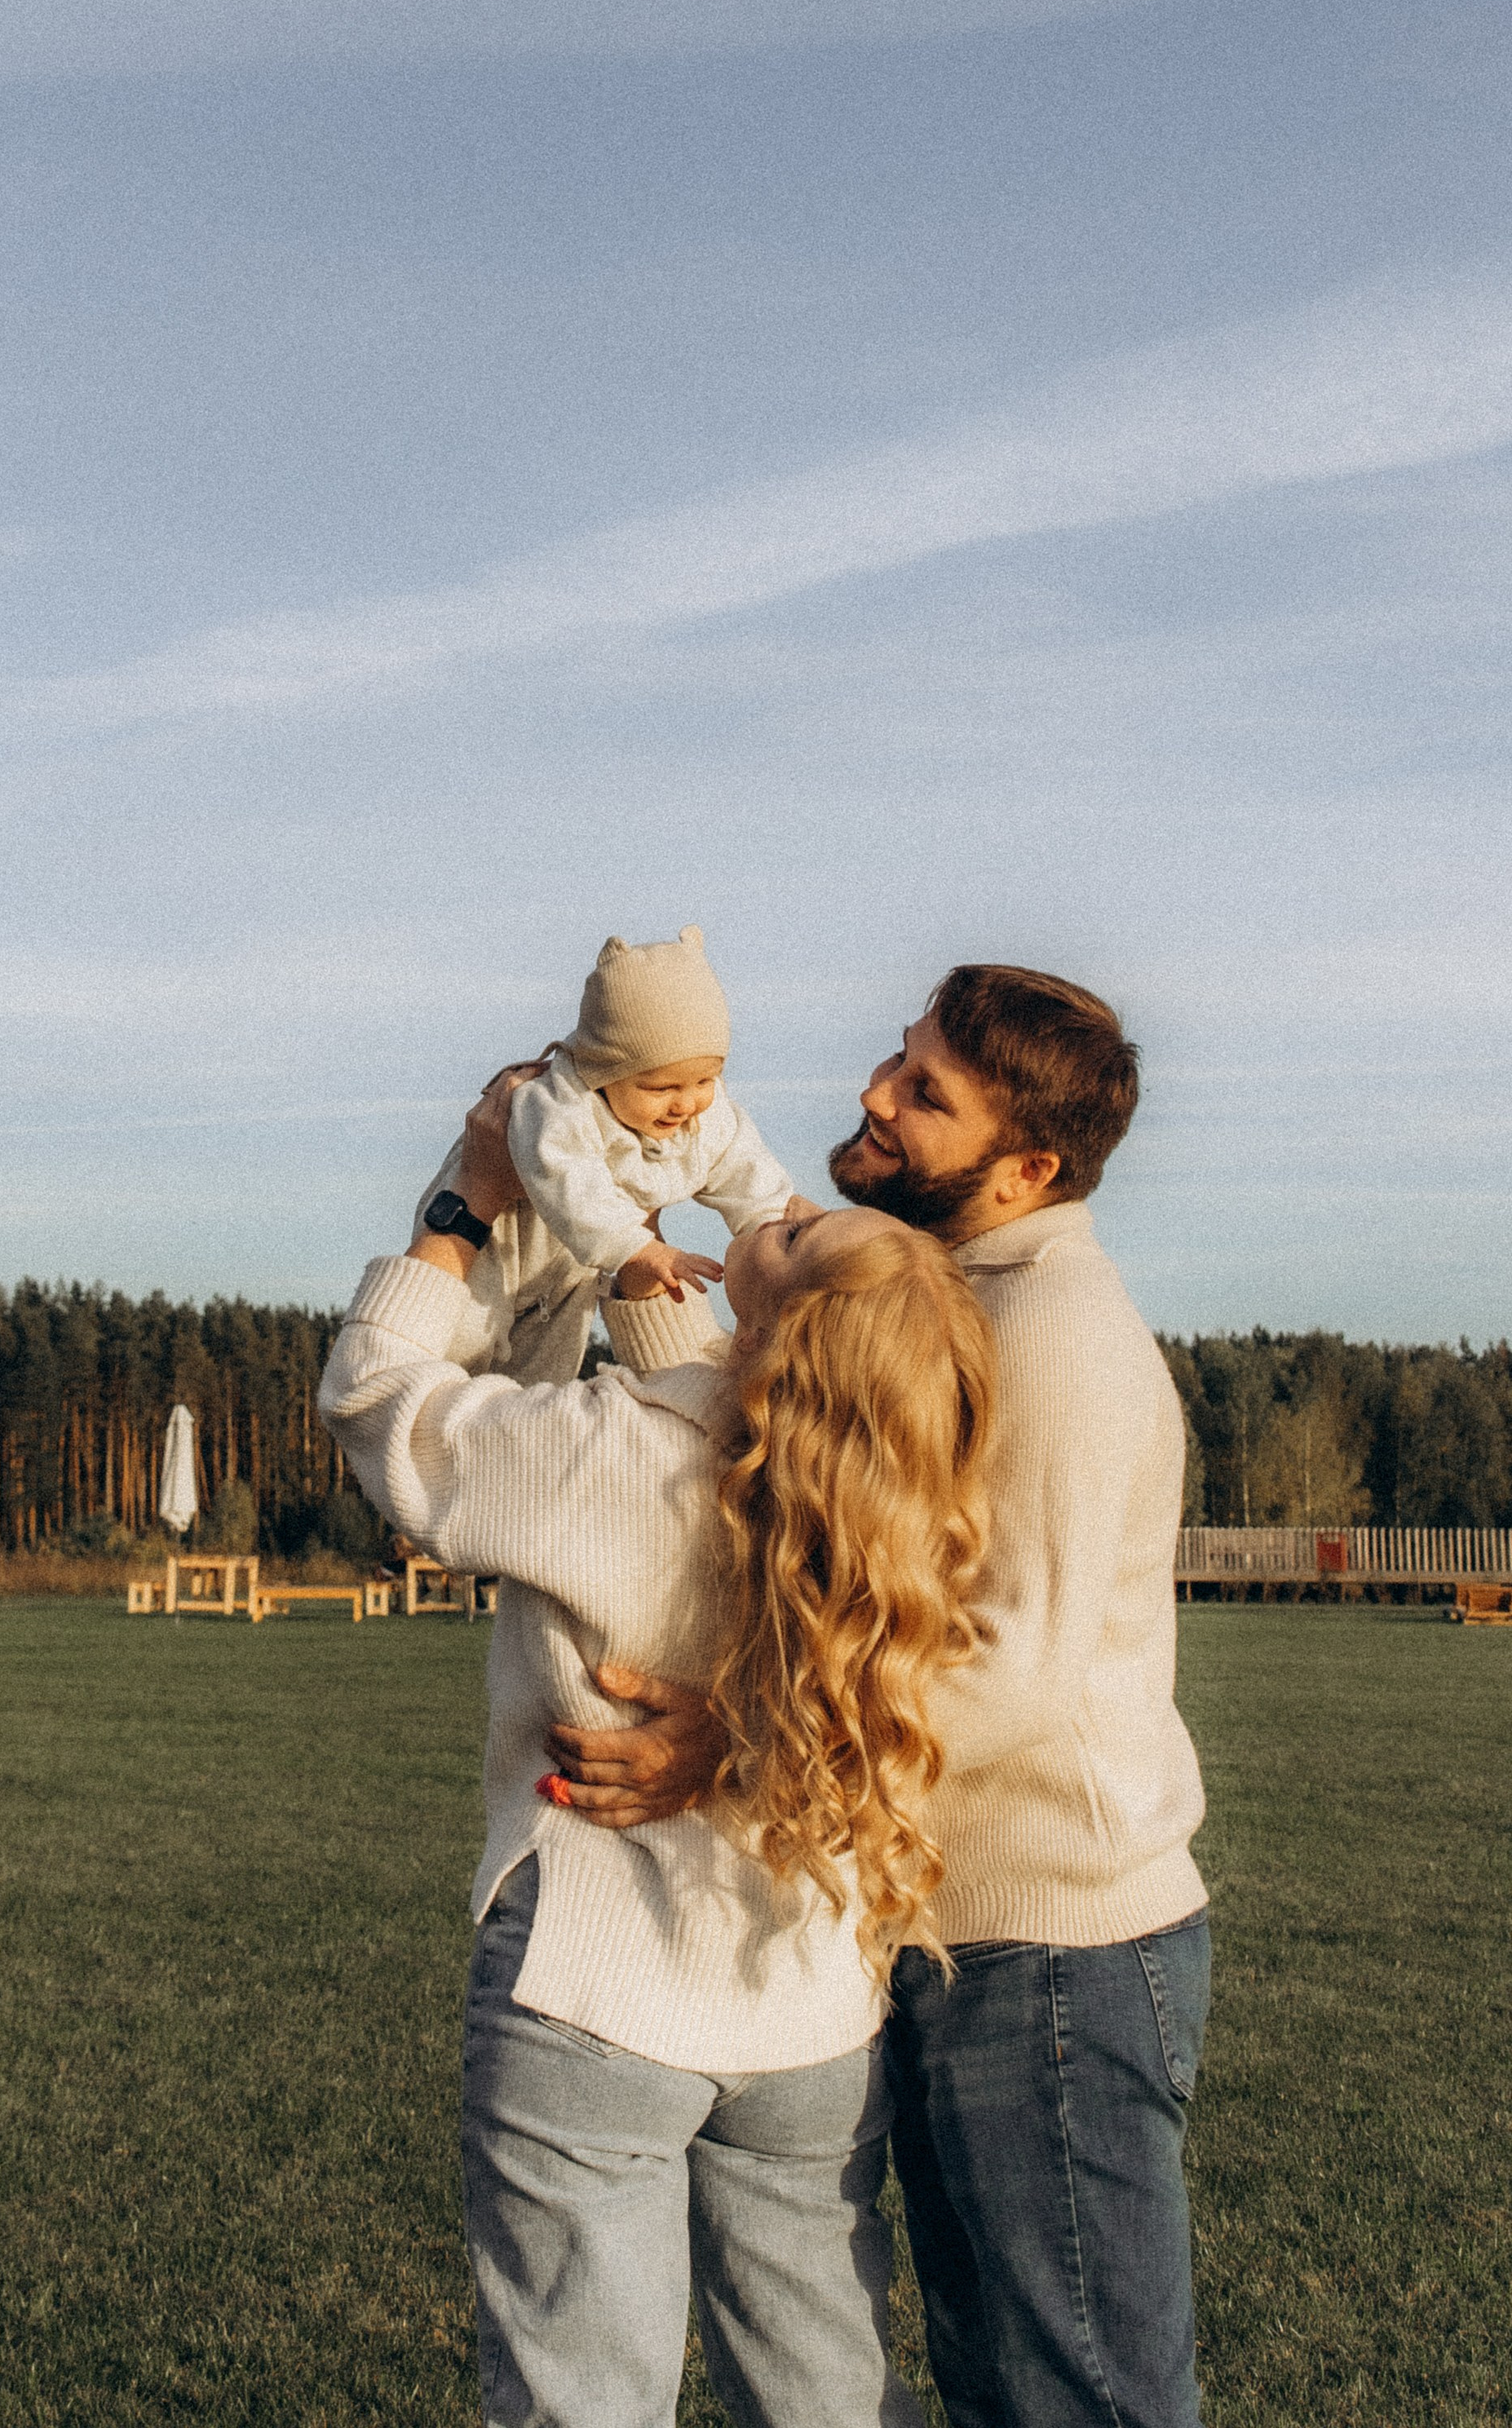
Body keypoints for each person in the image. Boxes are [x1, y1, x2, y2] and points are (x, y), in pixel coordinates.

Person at [546, 966, 1211, 2428]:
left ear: (1028, 1165)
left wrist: (732, 1734)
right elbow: (783, 1429)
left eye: (926, 1093)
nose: (875, 1097)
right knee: (1000, 2386)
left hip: (1052, 1948)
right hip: (956, 1931)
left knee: (1077, 2391)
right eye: (895, 1062)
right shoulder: (956, 1295)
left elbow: (1006, 1668)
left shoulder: (1058, 1337)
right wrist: (631, 1257)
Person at [321, 1076, 993, 2428]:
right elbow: (710, 1382)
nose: (783, 1209)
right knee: (825, 2396)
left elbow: (380, 1407)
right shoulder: (895, 1509)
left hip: (594, 1996)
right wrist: (616, 1215)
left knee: (585, 2398)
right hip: (808, 2018)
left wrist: (467, 1200)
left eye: (800, 1240)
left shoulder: (613, 1453)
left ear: (782, 1339)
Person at [417, 926, 794, 1384]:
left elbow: (743, 1165)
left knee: (547, 1370)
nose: (685, 1103)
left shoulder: (704, 1116)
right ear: (602, 1070)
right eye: (660, 1088)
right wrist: (639, 1247)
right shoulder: (560, 1102)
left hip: (573, 1264)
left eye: (703, 1081)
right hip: (498, 1239)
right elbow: (566, 1179)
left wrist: (768, 1222)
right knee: (461, 1344)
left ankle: (522, 1434)